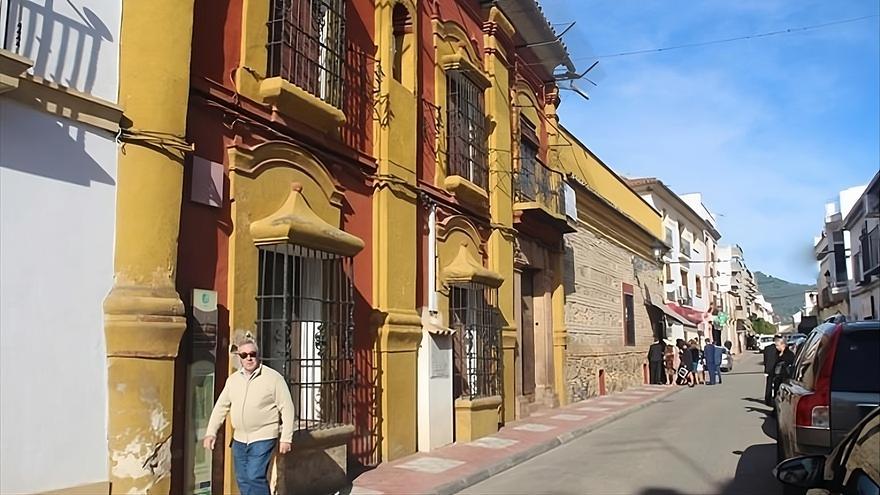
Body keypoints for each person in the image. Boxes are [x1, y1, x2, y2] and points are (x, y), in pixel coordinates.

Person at [204, 338, 295, 495]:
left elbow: (287, 408)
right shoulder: (233, 380)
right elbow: (221, 407)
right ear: (239, 357)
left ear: (258, 355)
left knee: (254, 476)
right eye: (244, 355)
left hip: (263, 437)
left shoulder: (273, 378)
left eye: (252, 354)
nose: (248, 358)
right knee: (242, 478)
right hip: (239, 439)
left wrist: (286, 438)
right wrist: (211, 432)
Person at [771, 337, 796, 402]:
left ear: (783, 345)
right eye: (776, 345)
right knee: (777, 395)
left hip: (785, 378)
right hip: (777, 378)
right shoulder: (777, 353)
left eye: (777, 345)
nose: (776, 347)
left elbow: (791, 365)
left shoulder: (789, 354)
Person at [763, 335, 780, 405]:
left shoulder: (767, 348)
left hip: (769, 369)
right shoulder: (778, 349)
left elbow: (765, 360)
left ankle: (767, 399)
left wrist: (766, 369)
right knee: (776, 384)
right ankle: (775, 398)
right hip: (777, 369)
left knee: (769, 385)